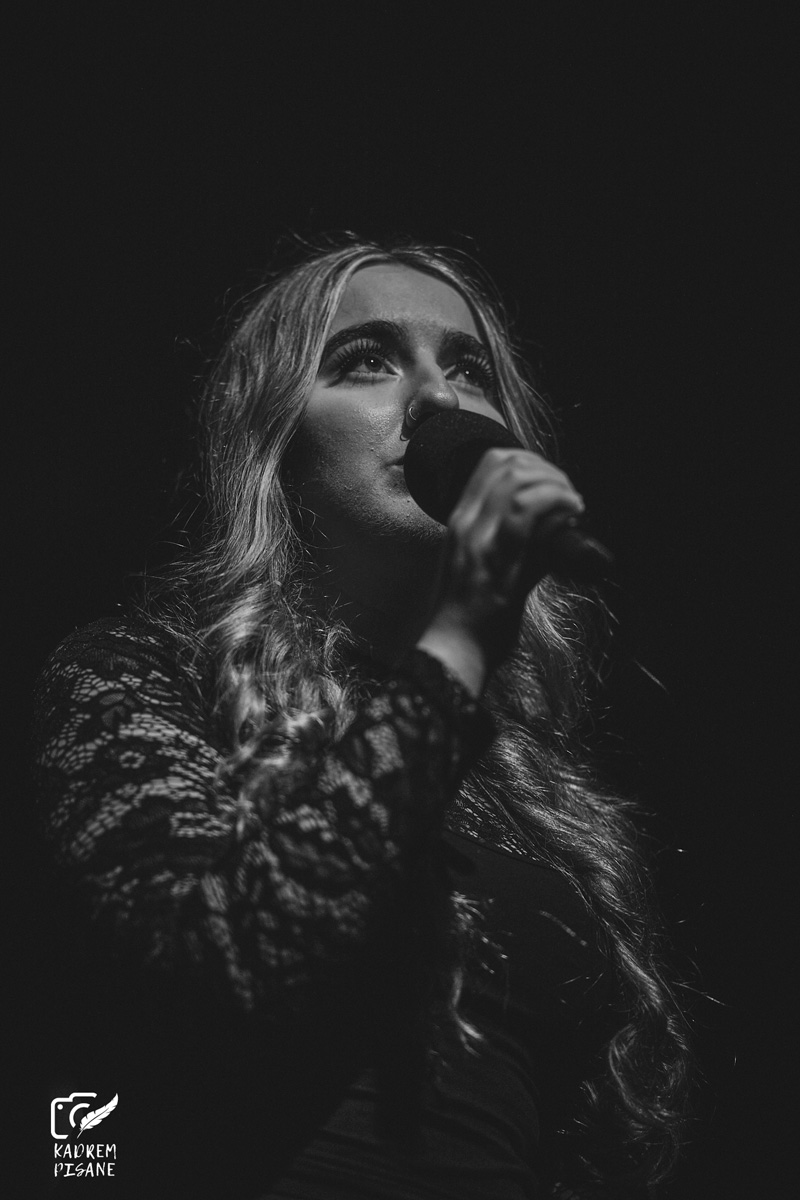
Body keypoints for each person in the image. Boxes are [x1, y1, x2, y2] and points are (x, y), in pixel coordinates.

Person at [31, 238, 690, 1198]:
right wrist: (458, 643)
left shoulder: (531, 788)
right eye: (366, 360)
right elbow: (218, 964)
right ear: (275, 441)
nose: (438, 399)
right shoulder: (143, 673)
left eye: (470, 369)